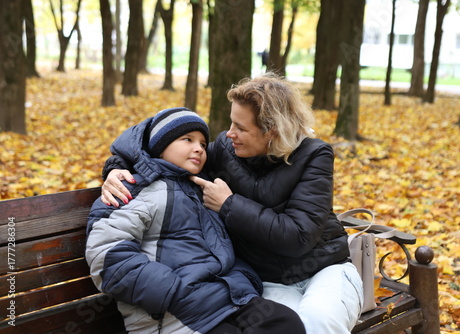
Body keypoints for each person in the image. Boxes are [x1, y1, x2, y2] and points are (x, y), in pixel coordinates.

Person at [100, 73, 364, 333]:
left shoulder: (314, 155)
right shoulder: (224, 152)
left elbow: (297, 237)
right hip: (268, 282)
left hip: (325, 271)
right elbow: (160, 143)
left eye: (241, 127)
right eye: (231, 123)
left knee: (317, 324)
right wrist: (116, 166)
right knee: (291, 327)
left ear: (272, 130)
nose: (229, 133)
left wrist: (228, 204)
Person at [86, 107, 306, 334]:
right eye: (187, 139)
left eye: (202, 144)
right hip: (173, 314)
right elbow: (107, 257)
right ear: (160, 147)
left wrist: (245, 279)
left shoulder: (204, 191)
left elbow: (221, 250)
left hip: (225, 299)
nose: (198, 149)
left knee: (284, 323)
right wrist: (173, 292)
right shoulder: (131, 189)